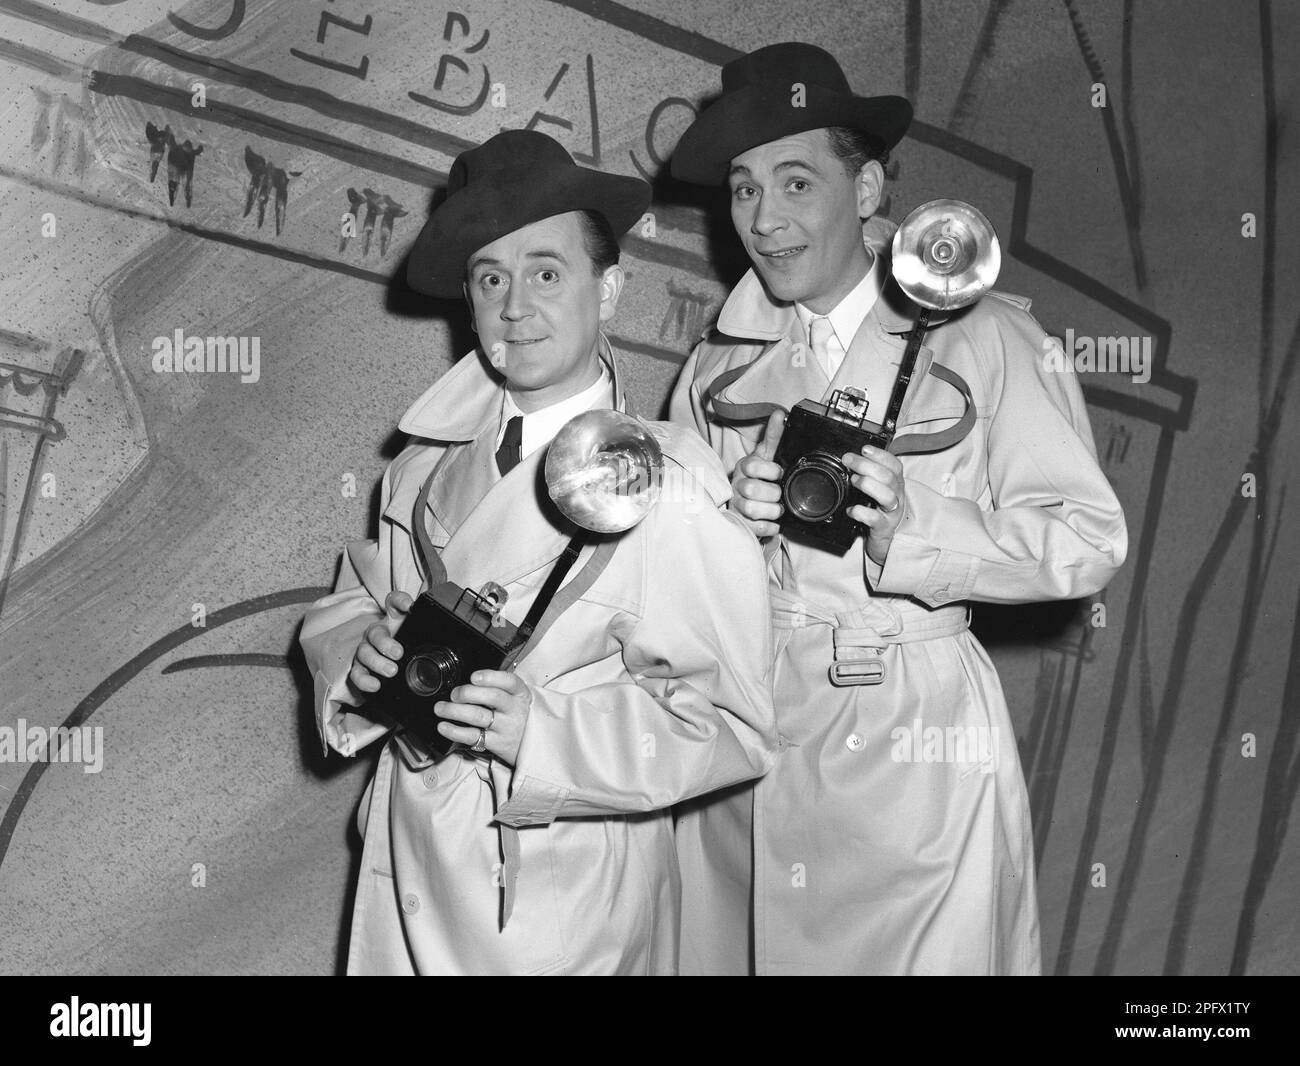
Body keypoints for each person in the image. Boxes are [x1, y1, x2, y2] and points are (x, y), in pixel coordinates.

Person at [667, 43, 1128, 975]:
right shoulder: (717, 370)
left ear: (869, 187)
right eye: (744, 189)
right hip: (747, 733)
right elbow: (667, 586)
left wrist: (914, 531)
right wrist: (730, 528)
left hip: (914, 739)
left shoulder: (992, 338)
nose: (765, 219)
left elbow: (1085, 542)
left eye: (797, 183)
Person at [300, 129, 776, 975]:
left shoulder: (665, 482)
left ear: (610, 289)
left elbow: (730, 724)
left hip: (560, 892)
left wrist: (542, 732)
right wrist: (358, 659)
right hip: (410, 859)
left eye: (547, 273)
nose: (515, 307)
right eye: (490, 279)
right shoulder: (425, 462)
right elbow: (354, 598)